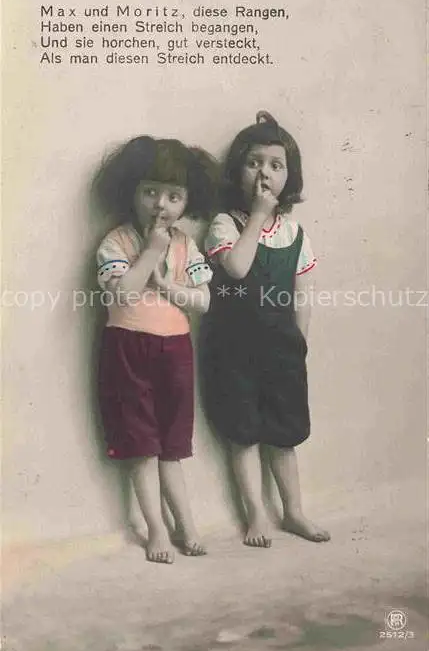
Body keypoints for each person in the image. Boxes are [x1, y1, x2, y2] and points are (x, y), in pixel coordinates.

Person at [201, 111, 330, 548]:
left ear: (289, 177)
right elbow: (237, 268)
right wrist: (257, 215)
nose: (264, 173)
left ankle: (293, 511)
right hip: (234, 350)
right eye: (254, 162)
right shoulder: (225, 225)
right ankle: (256, 514)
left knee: (283, 435)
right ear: (237, 170)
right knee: (243, 433)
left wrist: (299, 345)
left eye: (276, 165)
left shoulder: (295, 233)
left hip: (281, 351)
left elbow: (303, 296)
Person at [95, 135, 217, 564]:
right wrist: (150, 253)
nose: (160, 204)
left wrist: (166, 285)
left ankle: (187, 524)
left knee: (172, 445)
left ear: (187, 201)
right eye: (150, 192)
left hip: (176, 351)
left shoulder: (186, 245)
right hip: (128, 349)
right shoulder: (117, 242)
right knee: (140, 445)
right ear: (132, 191)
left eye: (173, 196)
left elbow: (203, 301)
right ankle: (156, 528)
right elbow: (124, 294)